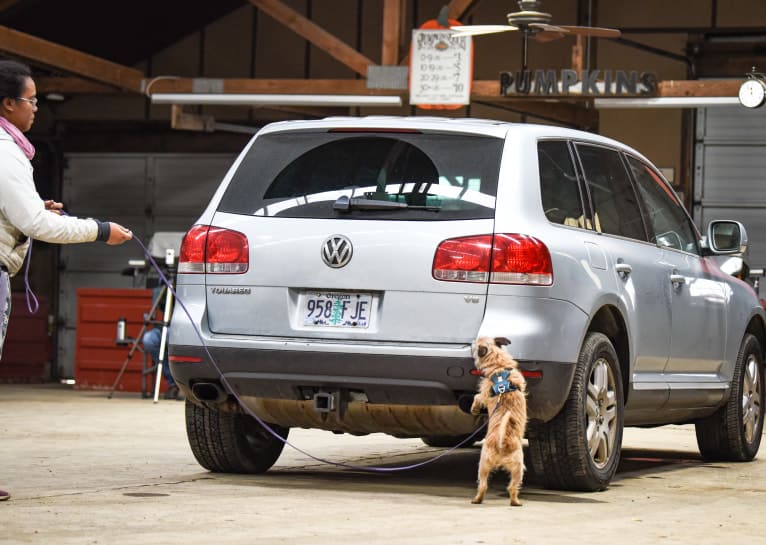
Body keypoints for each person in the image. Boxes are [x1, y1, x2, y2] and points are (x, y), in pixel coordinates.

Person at [0, 59, 133, 502]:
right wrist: (99, 229)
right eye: (31, 100)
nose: (36, 108)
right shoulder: (5, 151)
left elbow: (23, 215)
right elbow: (40, 227)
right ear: (7, 103)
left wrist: (34, 212)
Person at [142, 325, 180, 400]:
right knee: (148, 339)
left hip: (180, 327)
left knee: (176, 338)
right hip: (162, 327)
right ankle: (173, 383)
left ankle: (182, 384)